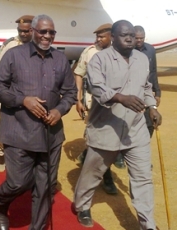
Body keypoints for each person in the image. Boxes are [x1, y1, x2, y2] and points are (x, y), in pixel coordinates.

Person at [0, 14, 77, 230]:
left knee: (46, 186)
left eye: (51, 32)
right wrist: (23, 100)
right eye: (43, 31)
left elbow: (70, 92)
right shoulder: (13, 55)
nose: (47, 36)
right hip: (19, 132)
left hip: (51, 135)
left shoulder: (60, 60)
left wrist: (60, 110)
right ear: (33, 31)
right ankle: (0, 204)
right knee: (18, 183)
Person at [73, 20, 162, 229]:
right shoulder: (98, 60)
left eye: (132, 34)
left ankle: (147, 223)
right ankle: (82, 205)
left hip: (135, 129)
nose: (130, 38)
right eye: (124, 35)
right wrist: (121, 98)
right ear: (113, 37)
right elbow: (97, 89)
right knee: (93, 173)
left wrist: (152, 107)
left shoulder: (142, 59)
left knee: (142, 178)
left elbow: (146, 87)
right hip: (106, 129)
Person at [74, 23, 119, 194]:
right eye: (97, 37)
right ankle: (106, 178)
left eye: (102, 37)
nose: (98, 40)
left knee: (109, 138)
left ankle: (87, 156)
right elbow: (79, 73)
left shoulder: (121, 53)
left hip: (117, 103)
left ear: (112, 37)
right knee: (100, 138)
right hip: (94, 103)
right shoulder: (89, 51)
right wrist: (78, 99)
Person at [0, 15, 34, 172]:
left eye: (27, 31)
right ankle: (1, 152)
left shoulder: (40, 45)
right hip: (9, 94)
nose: (23, 34)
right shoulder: (11, 44)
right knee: (6, 124)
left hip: (31, 95)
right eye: (21, 31)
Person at [134, 25, 161, 137]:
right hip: (134, 94)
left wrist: (158, 92)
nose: (139, 40)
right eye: (137, 38)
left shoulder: (150, 50)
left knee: (149, 123)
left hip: (148, 93)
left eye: (142, 38)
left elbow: (153, 71)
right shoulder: (128, 52)